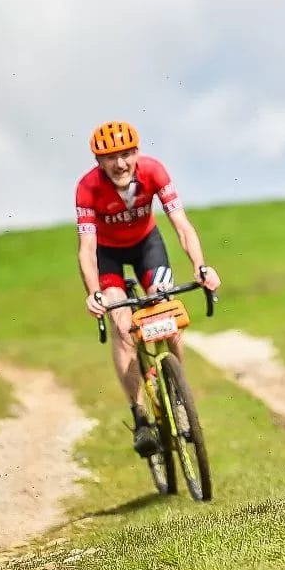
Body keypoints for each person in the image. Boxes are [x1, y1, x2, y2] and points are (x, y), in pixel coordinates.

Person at [75, 121, 221, 456]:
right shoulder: (87, 188)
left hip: (146, 247)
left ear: (137, 153)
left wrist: (201, 267)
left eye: (126, 153)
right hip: (108, 256)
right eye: (111, 157)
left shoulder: (154, 172)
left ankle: (177, 389)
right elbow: (86, 247)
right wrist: (94, 291)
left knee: (167, 313)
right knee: (123, 326)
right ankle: (139, 415)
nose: (120, 163)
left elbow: (181, 225)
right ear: (99, 161)